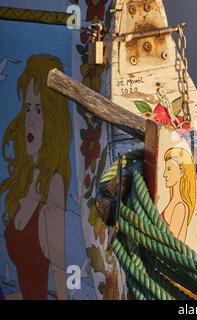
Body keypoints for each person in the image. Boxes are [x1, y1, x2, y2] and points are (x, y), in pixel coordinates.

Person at [0, 54, 72, 300]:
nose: (30, 120)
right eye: (28, 108)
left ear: (53, 119)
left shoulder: (53, 183)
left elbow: (59, 266)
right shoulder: (25, 176)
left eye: (39, 111)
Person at [162, 147, 196, 242]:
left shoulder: (180, 207)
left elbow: (171, 244)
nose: (164, 174)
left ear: (181, 172)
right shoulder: (174, 202)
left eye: (169, 169)